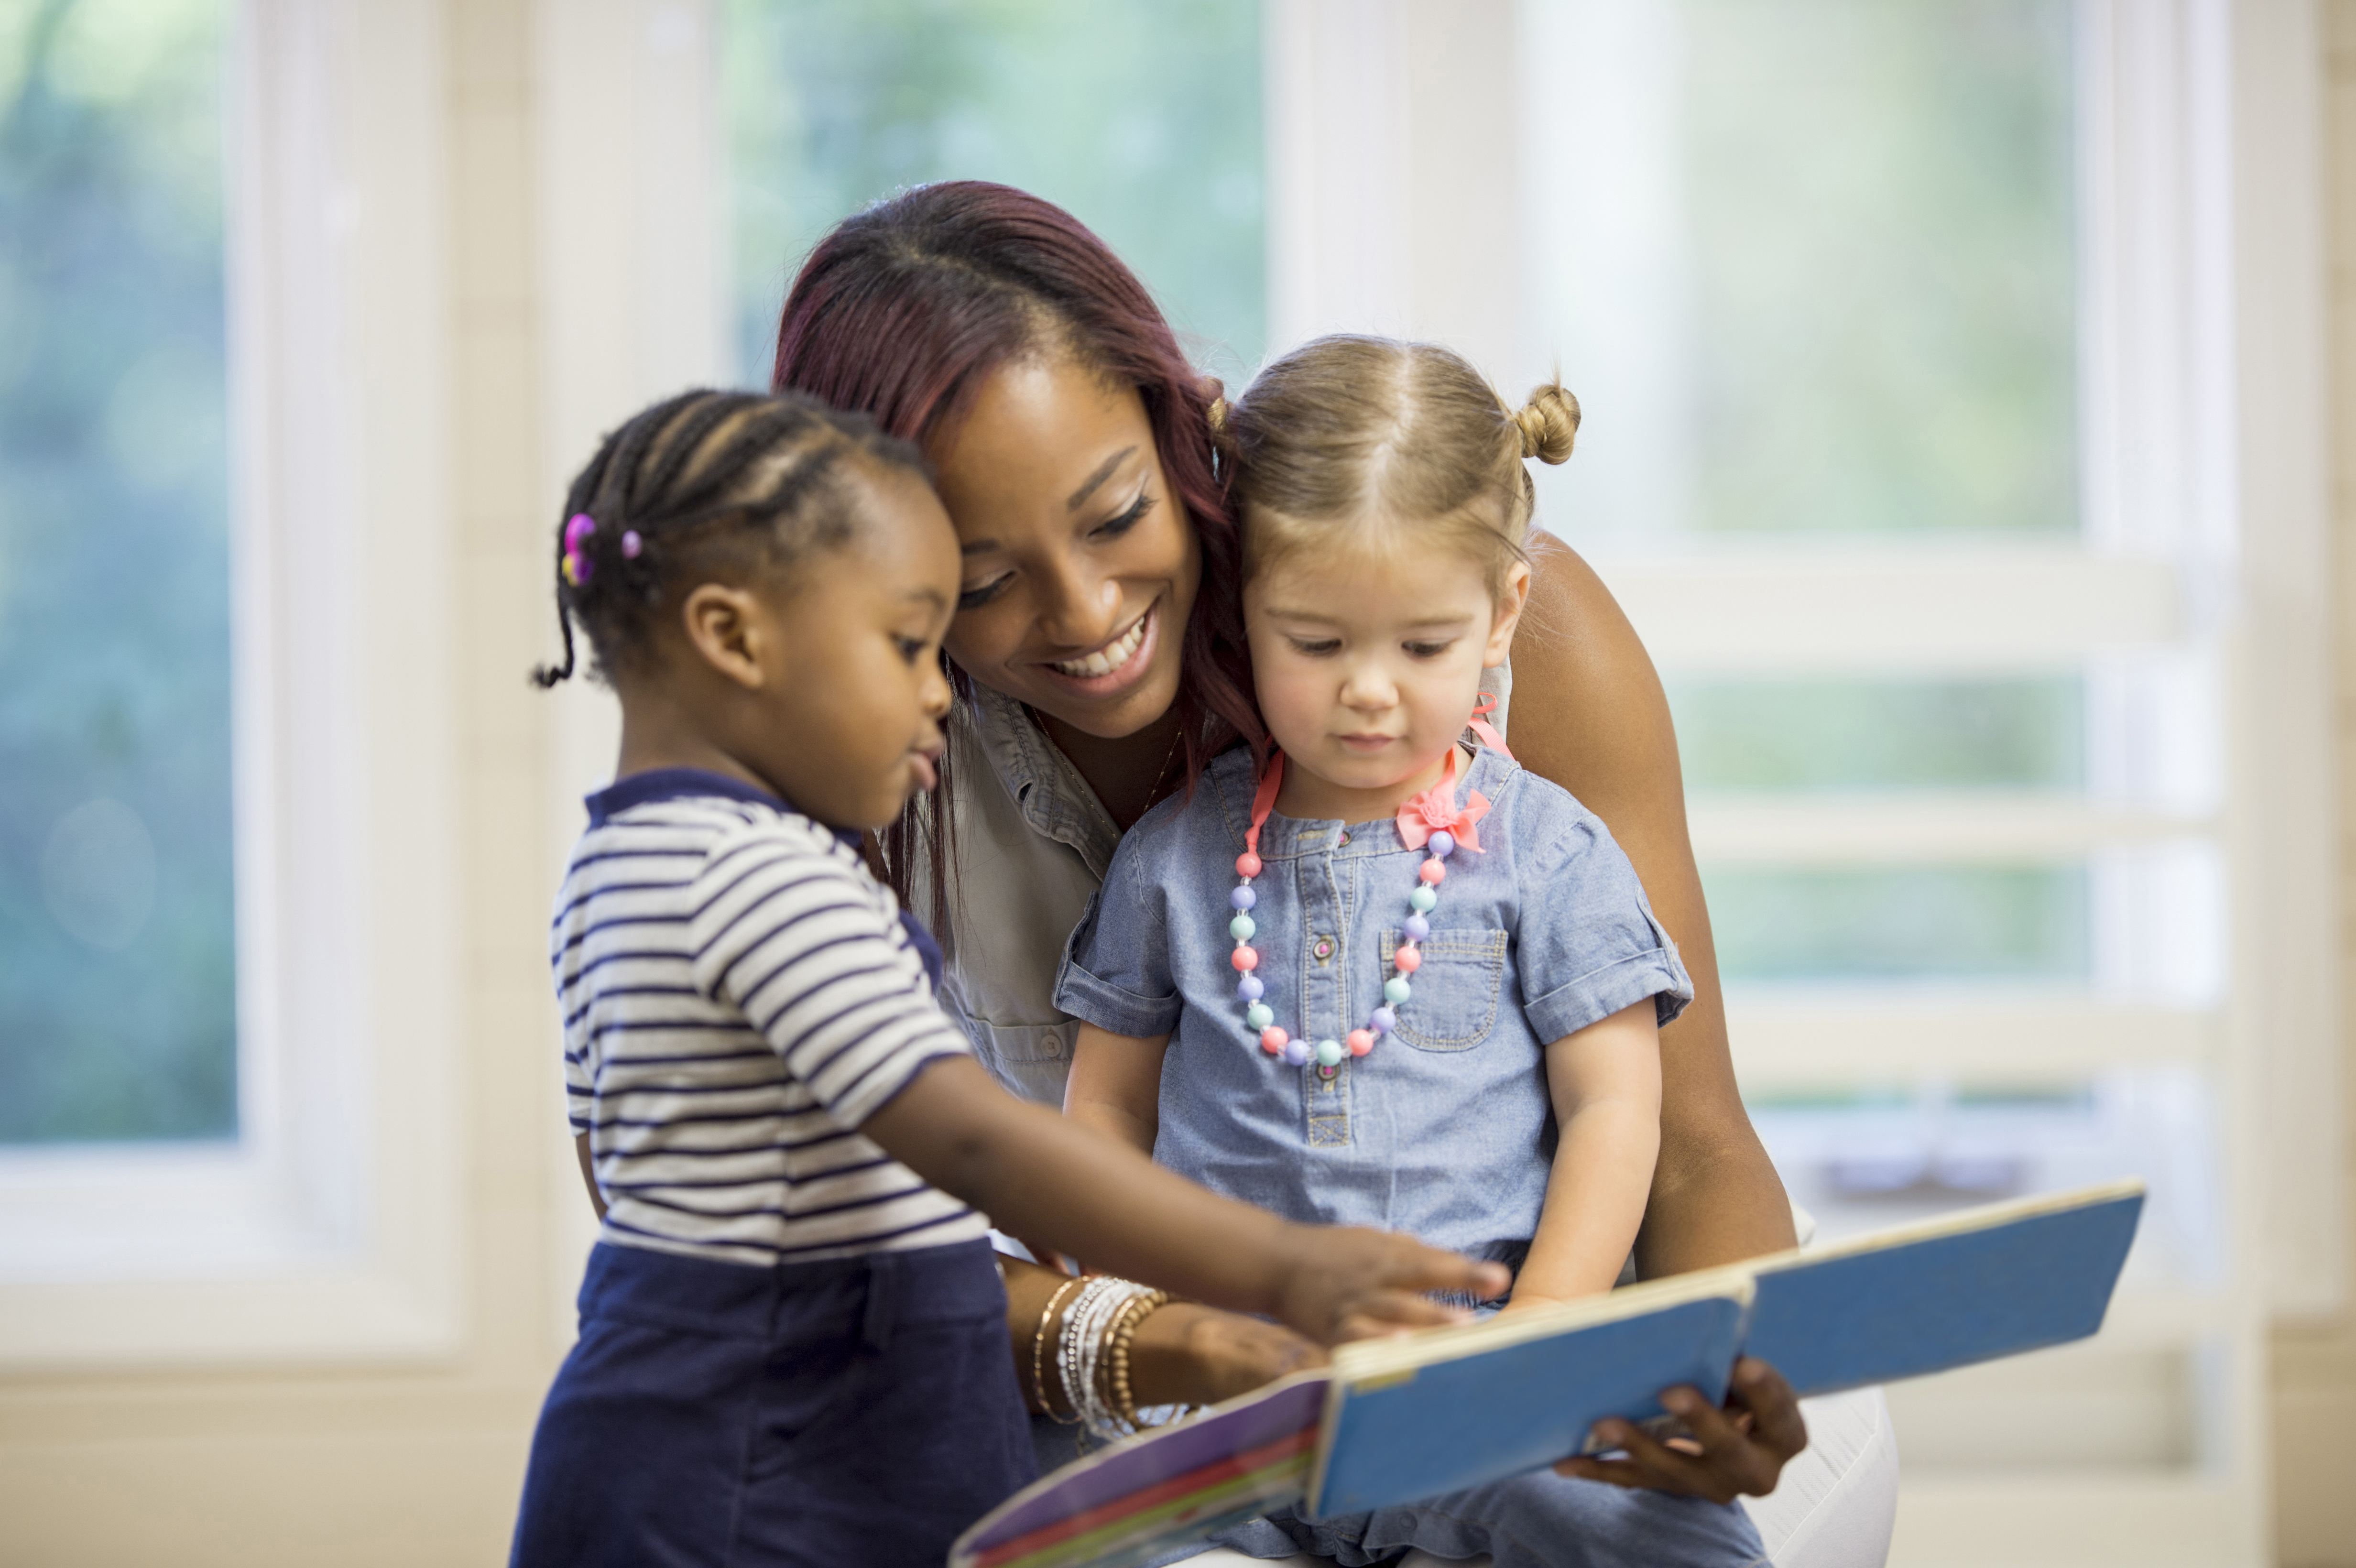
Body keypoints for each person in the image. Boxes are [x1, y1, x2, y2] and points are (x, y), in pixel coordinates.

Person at [770, 181, 1898, 1566]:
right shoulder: (856, 774)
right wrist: (1180, 1345)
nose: (1084, 615)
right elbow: (809, 1260)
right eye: (987, 579)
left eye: (1118, 513)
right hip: (1181, 1383)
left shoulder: (1487, 645)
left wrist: (1703, 1370)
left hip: (1573, 1346)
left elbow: (1690, 1140)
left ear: (1187, 433)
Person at [509, 388, 1509, 1568]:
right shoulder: (762, 877)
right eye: (903, 642)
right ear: (734, 636)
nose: (939, 690)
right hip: (772, 1472)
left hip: (678, 1444)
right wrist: (1280, 1265)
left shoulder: (617, 864)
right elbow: (979, 1145)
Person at [1054, 334, 1758, 1568]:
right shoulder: (1170, 861)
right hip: (1228, 1407)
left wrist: (1538, 1332)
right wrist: (1151, 1323)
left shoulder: (1548, 851)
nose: (1369, 691)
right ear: (1240, 610)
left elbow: (1617, 1111)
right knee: (1034, 1517)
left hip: (1466, 1399)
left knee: (1682, 1543)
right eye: (1316, 644)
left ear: (1503, 614)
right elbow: (1101, 1113)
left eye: (1421, 646)